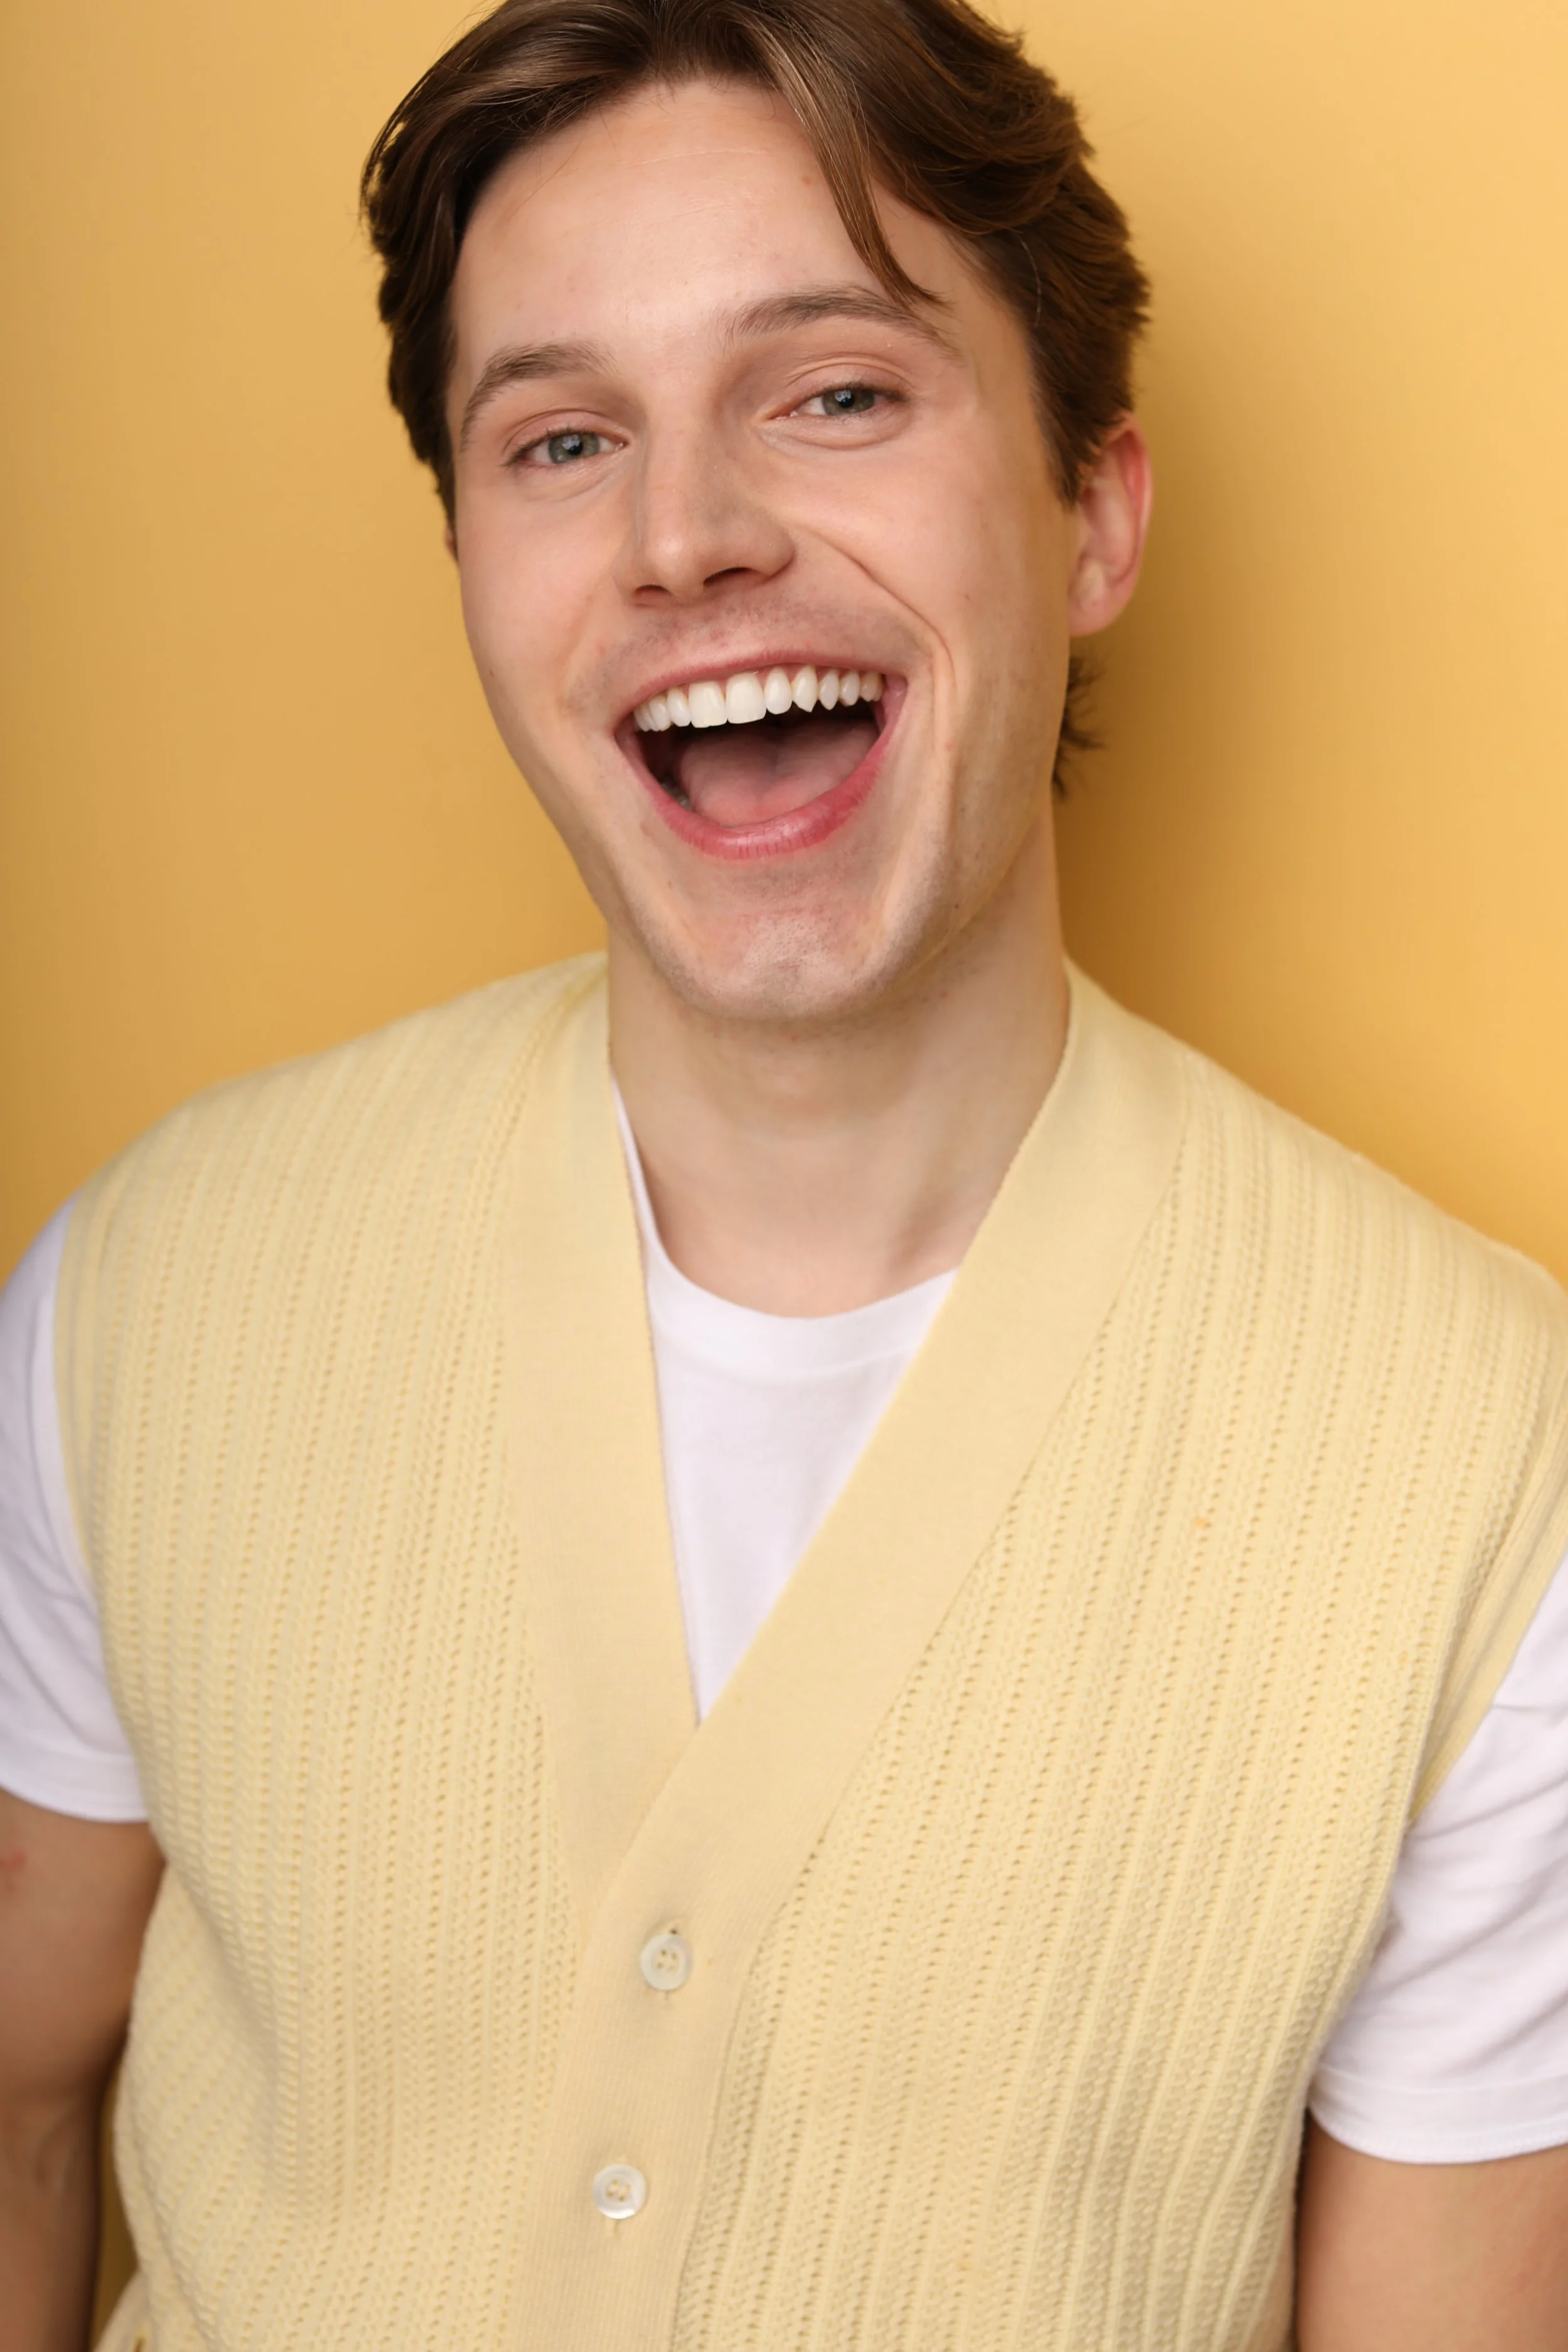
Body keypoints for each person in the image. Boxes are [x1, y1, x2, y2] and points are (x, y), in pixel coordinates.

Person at [4, 0, 1568, 2343]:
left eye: (832, 392)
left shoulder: (1478, 1468)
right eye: (561, 439)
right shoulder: (150, 1296)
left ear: (1092, 512)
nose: (686, 538)